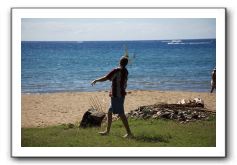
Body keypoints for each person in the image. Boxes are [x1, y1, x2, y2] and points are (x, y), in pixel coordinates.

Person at [91, 56, 133, 138]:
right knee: (109, 112)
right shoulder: (126, 71)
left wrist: (96, 80)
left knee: (121, 114)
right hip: (120, 94)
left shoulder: (117, 70)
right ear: (126, 64)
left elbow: (106, 78)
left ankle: (129, 133)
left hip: (116, 95)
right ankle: (107, 131)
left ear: (120, 62)